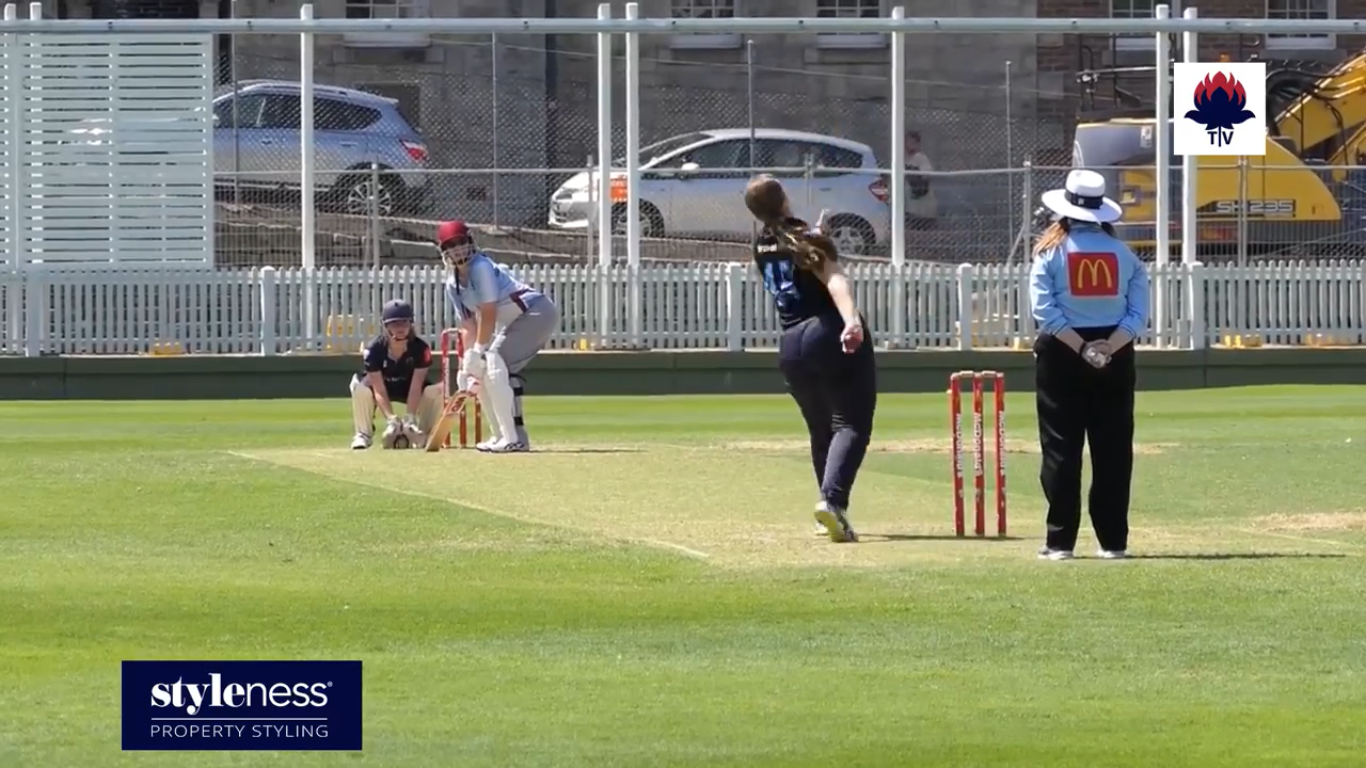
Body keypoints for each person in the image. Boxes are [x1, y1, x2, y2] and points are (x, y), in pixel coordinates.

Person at [745, 174, 877, 543]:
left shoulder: (761, 243)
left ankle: (827, 510)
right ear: (784, 199)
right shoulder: (806, 237)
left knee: (821, 429)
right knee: (851, 424)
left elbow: (795, 255)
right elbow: (835, 280)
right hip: (825, 332)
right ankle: (832, 503)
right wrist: (851, 321)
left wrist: (816, 236)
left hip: (790, 344)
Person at [1028, 168, 1149, 561]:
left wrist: (1081, 348)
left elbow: (1044, 312)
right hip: (1114, 352)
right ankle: (1113, 542)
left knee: (1061, 448)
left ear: (1064, 212)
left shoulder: (1050, 253)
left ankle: (1059, 542)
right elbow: (1137, 315)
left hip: (1063, 353)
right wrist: (1108, 347)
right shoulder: (1126, 256)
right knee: (1113, 449)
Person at [437, 220, 560, 453]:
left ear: (470, 242)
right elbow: (468, 325)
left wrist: (479, 350)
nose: (458, 249)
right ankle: (503, 435)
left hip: (536, 312)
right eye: (451, 245)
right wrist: (466, 365)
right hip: (516, 321)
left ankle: (512, 438)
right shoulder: (452, 284)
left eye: (461, 242)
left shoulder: (481, 266)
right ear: (443, 251)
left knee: (493, 361)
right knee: (483, 370)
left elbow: (489, 312)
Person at [349, 298, 444, 450]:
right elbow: (378, 389)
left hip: (408, 389)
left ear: (410, 324)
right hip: (384, 387)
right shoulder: (374, 350)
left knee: (437, 390)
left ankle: (422, 434)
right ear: (386, 326)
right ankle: (363, 435)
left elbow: (416, 386)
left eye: (404, 323)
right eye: (394, 324)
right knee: (358, 387)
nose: (400, 328)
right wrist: (391, 419)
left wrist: (410, 418)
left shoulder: (421, 349)